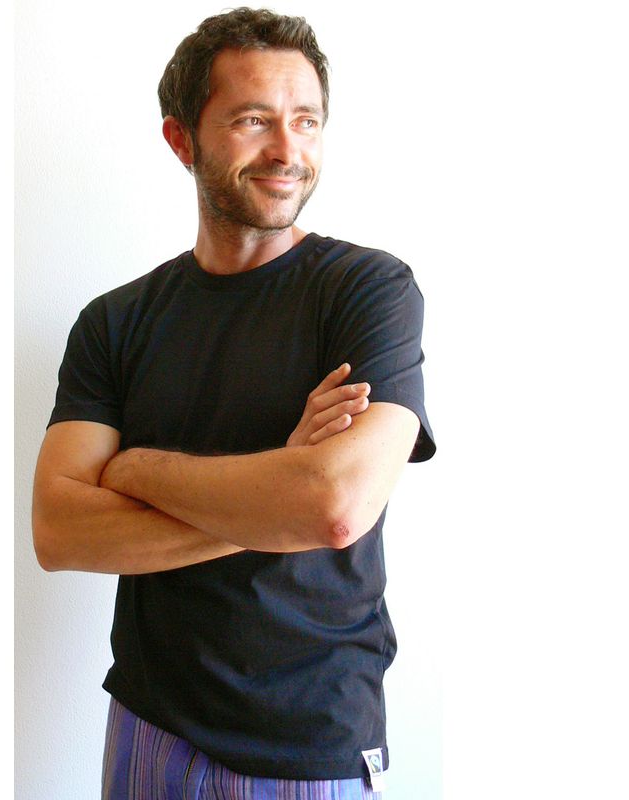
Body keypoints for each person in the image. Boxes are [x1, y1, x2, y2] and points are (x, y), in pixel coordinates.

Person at [32, 7, 436, 798]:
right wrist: (276, 488)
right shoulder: (115, 322)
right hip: (150, 722)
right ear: (181, 140)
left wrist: (136, 470)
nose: (288, 149)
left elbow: (334, 508)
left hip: (309, 742)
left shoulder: (369, 292)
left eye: (306, 121)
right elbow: (58, 530)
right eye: (253, 120)